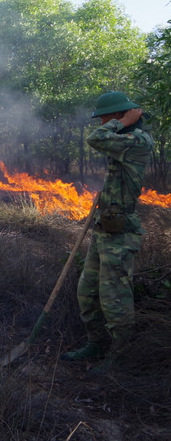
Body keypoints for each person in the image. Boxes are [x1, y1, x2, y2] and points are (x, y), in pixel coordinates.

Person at [61, 91, 153, 371]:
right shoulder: (124, 140)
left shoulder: (139, 140)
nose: (101, 121)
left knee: (115, 299)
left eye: (104, 116)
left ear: (118, 115)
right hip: (105, 230)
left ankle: (119, 357)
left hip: (121, 234)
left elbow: (96, 138)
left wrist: (124, 121)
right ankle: (96, 343)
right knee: (87, 292)